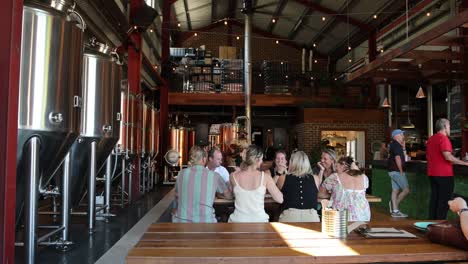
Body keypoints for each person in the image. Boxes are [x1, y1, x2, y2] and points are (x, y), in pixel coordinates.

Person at [172, 145, 232, 223]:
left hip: (181, 222)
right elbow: (229, 196)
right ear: (204, 159)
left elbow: (176, 195)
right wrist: (217, 194)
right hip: (206, 223)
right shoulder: (214, 176)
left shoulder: (181, 174)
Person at [228, 145, 283, 222]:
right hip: (259, 221)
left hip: (238, 221)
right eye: (261, 159)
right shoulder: (265, 177)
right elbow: (280, 199)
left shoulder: (233, 176)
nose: (262, 162)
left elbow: (228, 195)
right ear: (257, 160)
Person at [426, 118, 468, 219]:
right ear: (444, 127)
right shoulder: (444, 139)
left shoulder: (431, 139)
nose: (449, 129)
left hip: (432, 174)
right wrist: (464, 163)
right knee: (444, 201)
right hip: (444, 175)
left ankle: (431, 224)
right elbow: (448, 157)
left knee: (435, 200)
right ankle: (440, 225)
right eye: (449, 126)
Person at [319, 156, 371, 222]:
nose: (335, 169)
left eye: (337, 166)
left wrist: (333, 195)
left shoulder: (335, 177)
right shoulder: (364, 178)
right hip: (363, 215)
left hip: (342, 216)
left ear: (343, 165)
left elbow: (320, 194)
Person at [276, 151, 320, 222]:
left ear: (292, 163)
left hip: (289, 216)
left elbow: (275, 195)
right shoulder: (315, 178)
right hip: (311, 217)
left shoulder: (283, 178)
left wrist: (279, 173)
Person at [388, 129, 410, 218]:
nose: (403, 136)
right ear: (396, 136)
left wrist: (403, 148)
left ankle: (395, 211)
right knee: (406, 190)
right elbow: (397, 158)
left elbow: (401, 156)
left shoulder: (394, 145)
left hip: (392, 171)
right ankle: (394, 206)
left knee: (395, 190)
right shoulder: (396, 145)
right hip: (397, 171)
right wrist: (401, 170)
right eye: (401, 135)